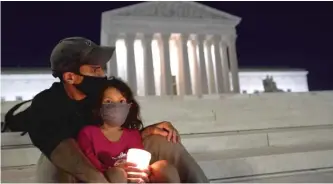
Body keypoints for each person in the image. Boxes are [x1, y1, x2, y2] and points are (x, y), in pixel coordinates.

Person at [27, 37, 208, 183]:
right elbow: (62, 150)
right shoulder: (47, 103)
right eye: (95, 69)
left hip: (113, 162)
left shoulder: (104, 92)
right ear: (70, 77)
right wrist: (100, 179)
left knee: (164, 140)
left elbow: (115, 135)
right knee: (58, 165)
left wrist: (146, 133)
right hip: (77, 168)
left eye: (101, 69)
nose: (102, 75)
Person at [76, 77, 180, 183]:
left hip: (135, 180)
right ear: (98, 107)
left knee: (164, 167)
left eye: (121, 101)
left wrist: (145, 172)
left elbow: (140, 164)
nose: (116, 106)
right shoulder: (88, 133)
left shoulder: (132, 135)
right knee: (117, 173)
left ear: (129, 106)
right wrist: (117, 168)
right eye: (108, 101)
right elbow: (89, 167)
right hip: (108, 179)